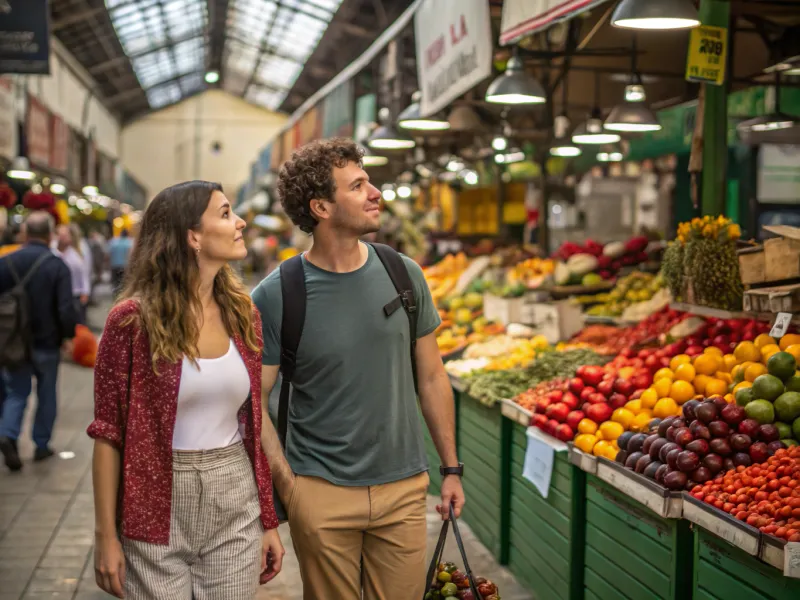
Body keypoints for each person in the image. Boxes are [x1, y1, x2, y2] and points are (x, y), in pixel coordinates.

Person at [251, 138, 464, 600]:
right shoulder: (277, 294)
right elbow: (252, 399)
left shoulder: (403, 273)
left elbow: (431, 376)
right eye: (358, 185)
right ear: (321, 206)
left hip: (404, 488)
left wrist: (451, 467)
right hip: (320, 488)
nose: (376, 192)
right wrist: (290, 487)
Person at [88, 181, 283, 600]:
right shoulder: (131, 323)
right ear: (193, 235)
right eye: (227, 213)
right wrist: (106, 536)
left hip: (234, 493)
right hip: (156, 494)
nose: (241, 222)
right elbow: (107, 433)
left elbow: (252, 420)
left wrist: (268, 518)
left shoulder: (243, 314)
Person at [0, 211, 78, 470]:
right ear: (49, 234)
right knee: (46, 394)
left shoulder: (6, 262)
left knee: (16, 391)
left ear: (25, 233)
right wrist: (67, 336)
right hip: (47, 343)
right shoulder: (57, 266)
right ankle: (41, 445)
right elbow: (66, 308)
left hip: (13, 342)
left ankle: (8, 434)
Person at [52, 224, 91, 324]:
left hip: (76, 294)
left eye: (65, 235)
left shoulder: (78, 251)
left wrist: (85, 291)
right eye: (59, 235)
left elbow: (85, 272)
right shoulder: (53, 251)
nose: (61, 237)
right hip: (57, 294)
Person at [108, 229, 133, 298]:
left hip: (114, 265)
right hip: (124, 266)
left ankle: (115, 295)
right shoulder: (129, 242)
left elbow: (108, 254)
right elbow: (130, 255)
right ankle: (122, 296)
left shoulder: (113, 242)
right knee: (123, 282)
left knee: (115, 282)